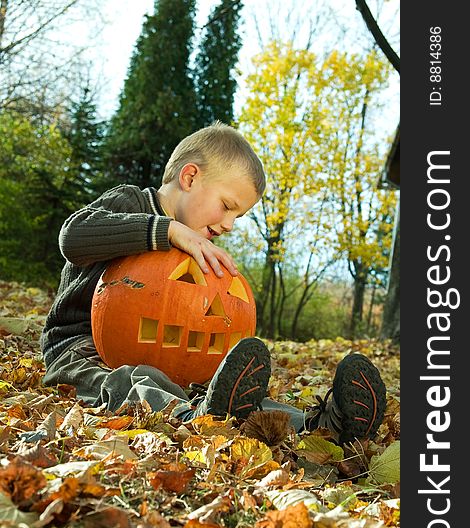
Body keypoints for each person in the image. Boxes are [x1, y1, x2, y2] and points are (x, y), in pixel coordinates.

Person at [40, 121, 386, 443]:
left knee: (219, 387)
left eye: (238, 216)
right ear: (189, 177)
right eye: (227, 206)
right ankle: (191, 415)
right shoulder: (131, 202)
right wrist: (169, 231)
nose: (230, 224)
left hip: (166, 362)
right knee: (133, 380)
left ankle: (318, 425)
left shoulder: (198, 249)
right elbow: (73, 237)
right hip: (82, 351)